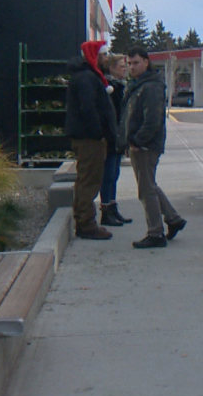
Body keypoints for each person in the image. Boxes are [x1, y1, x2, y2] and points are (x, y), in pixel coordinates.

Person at [121, 47, 187, 248]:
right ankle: (173, 218)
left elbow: (153, 119)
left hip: (145, 146)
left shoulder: (150, 87)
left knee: (145, 189)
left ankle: (155, 233)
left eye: (136, 63)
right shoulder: (139, 84)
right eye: (129, 63)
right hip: (141, 144)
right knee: (149, 184)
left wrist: (138, 141)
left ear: (146, 62)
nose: (132, 67)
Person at [64, 40, 117, 240]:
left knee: (86, 179)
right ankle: (86, 224)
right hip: (89, 138)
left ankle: (84, 220)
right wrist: (98, 133)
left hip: (88, 137)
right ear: (95, 55)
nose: (106, 58)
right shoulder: (87, 77)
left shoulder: (85, 76)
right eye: (103, 55)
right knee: (90, 180)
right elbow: (88, 109)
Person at [98, 53, 134, 227]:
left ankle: (112, 206)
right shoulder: (109, 88)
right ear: (112, 68)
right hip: (111, 136)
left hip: (118, 136)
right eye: (122, 66)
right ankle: (106, 210)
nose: (125, 68)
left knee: (115, 174)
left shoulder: (121, 86)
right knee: (109, 174)